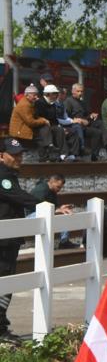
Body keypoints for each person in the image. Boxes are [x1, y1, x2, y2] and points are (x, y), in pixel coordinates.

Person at [0, 138, 42, 342]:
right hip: (4, 242)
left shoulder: (9, 175)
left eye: (20, 154)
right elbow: (20, 197)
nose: (19, 158)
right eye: (14, 154)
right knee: (5, 282)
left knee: (7, 283)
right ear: (1, 156)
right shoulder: (3, 176)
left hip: (9, 239)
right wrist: (47, 206)